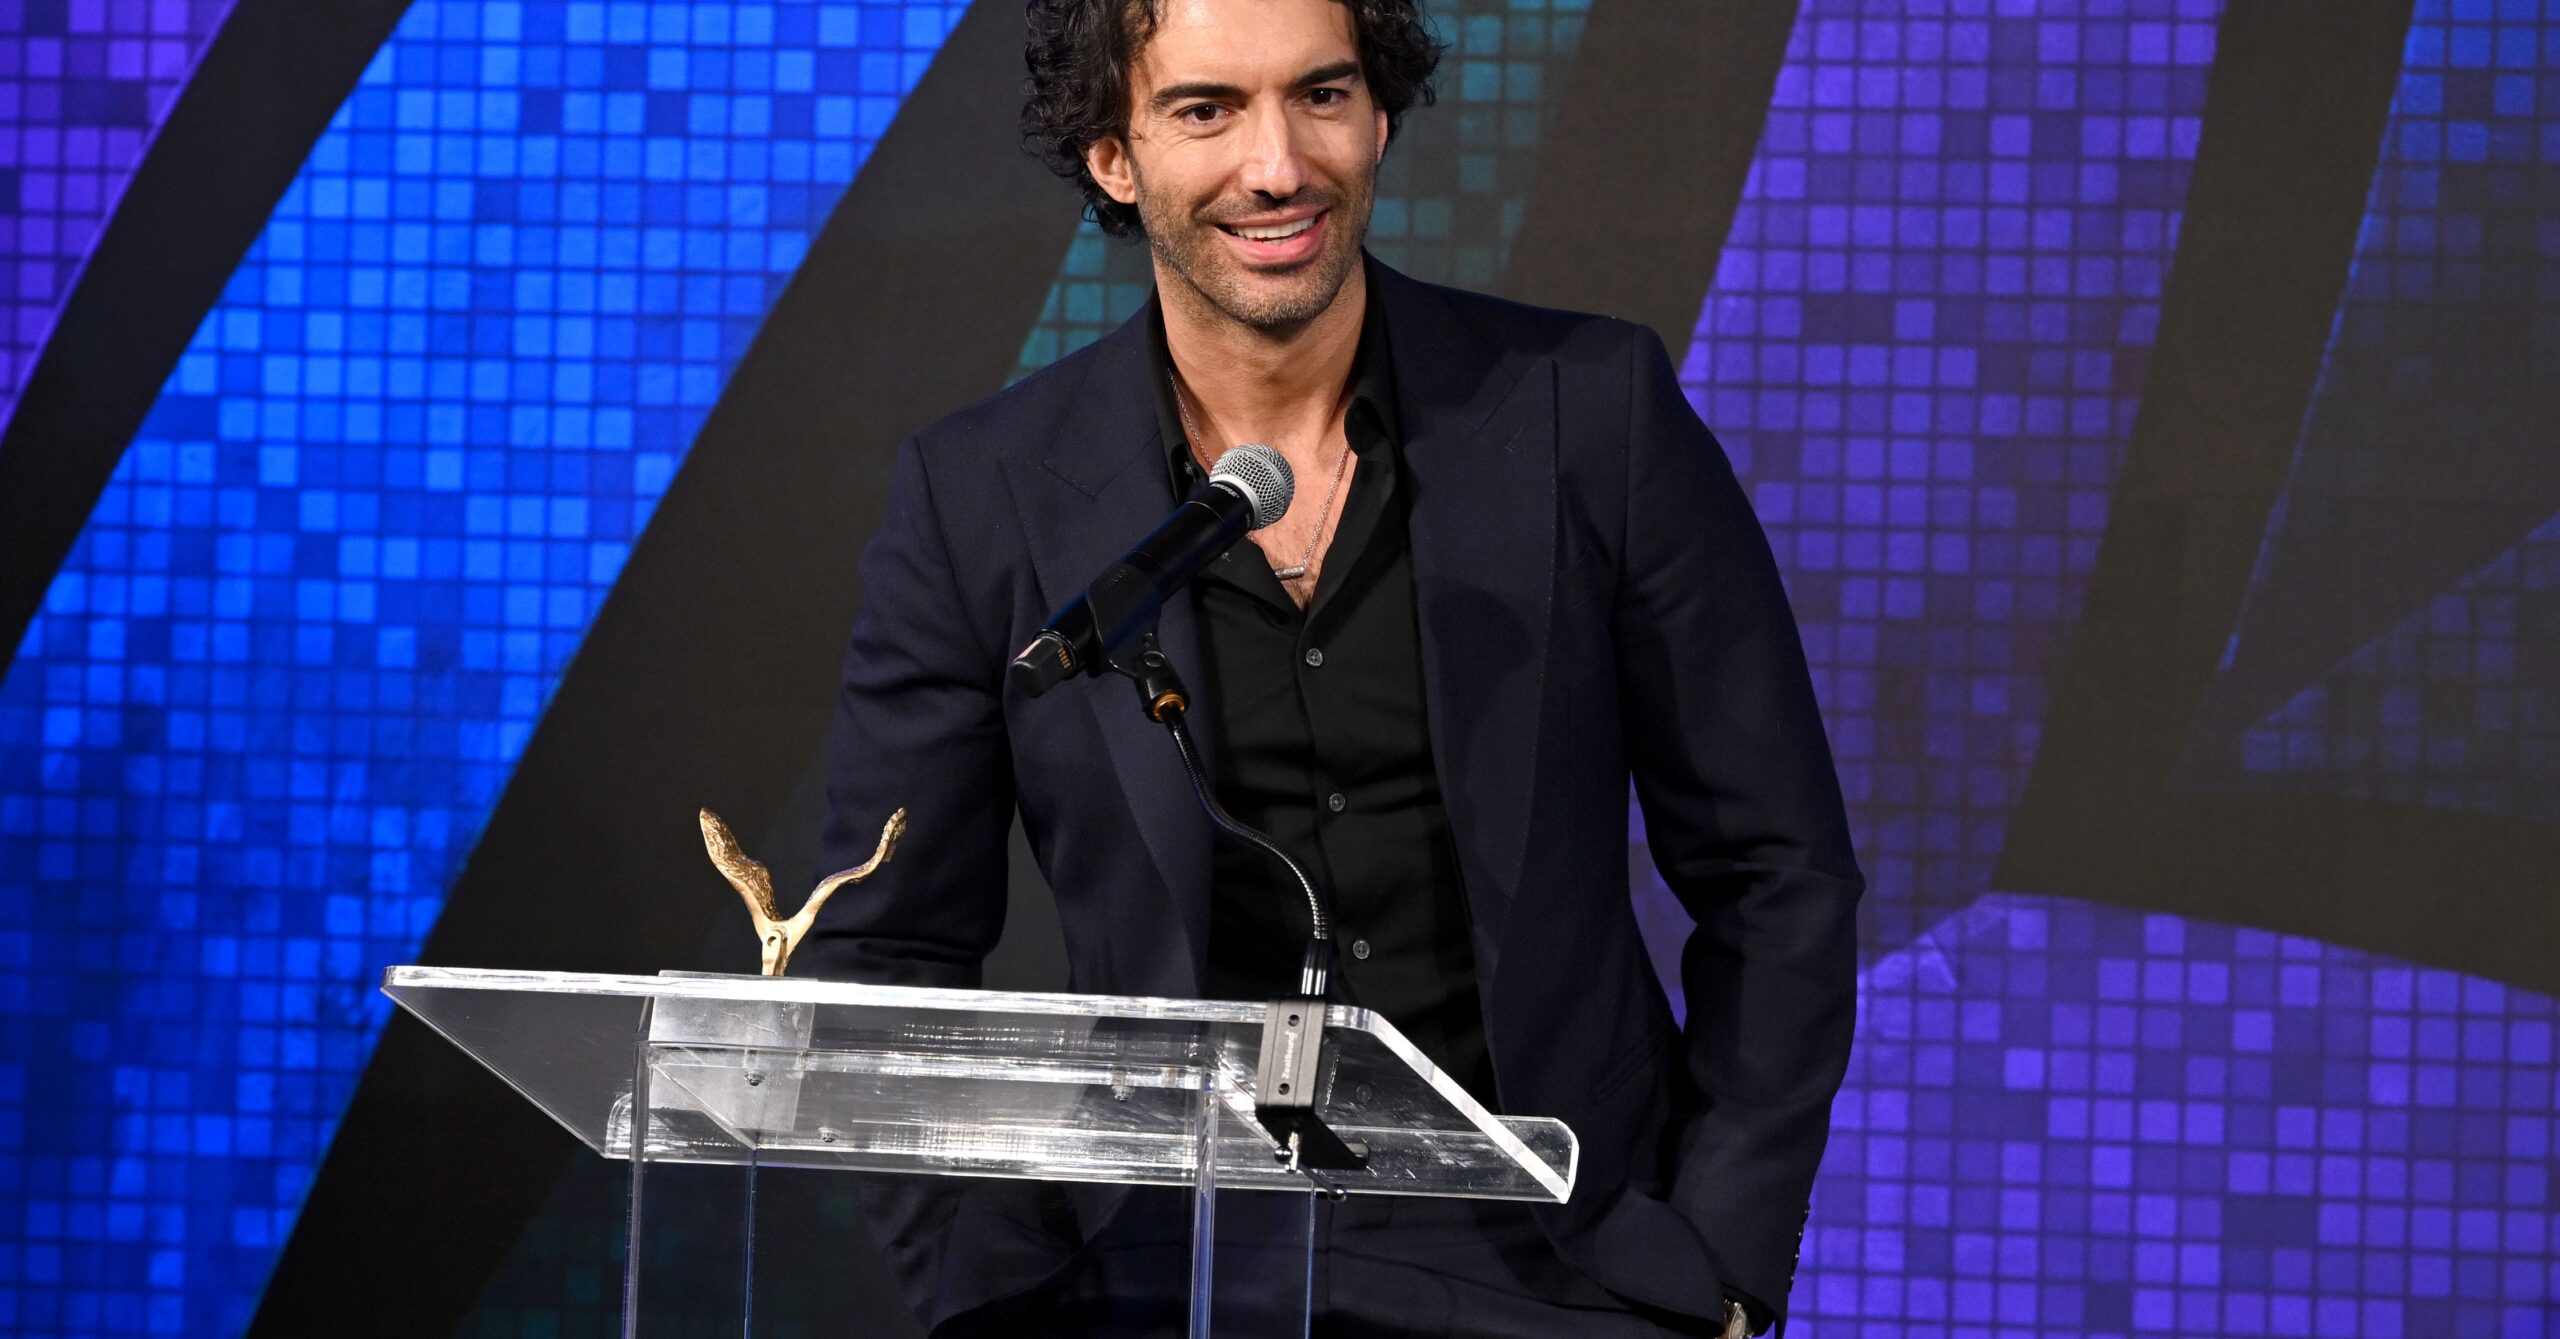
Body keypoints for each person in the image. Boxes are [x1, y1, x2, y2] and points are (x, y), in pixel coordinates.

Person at [802, 0, 1862, 1334]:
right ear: (1111, 155)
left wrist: (1717, 1260)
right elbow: (884, 948)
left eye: (1321, 94)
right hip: (1159, 1286)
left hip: (1564, 1279)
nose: (1278, 165)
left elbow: (1781, 870)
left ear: (1378, 112)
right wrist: (985, 1289)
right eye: (1205, 110)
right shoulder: (980, 496)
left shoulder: (1588, 411)